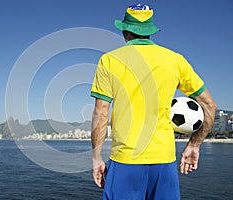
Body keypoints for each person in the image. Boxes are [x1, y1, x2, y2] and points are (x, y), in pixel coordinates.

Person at [90, 4, 217, 200]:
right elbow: (210, 106)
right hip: (164, 161)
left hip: (125, 160)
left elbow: (101, 112)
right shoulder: (175, 60)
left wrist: (97, 158)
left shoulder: (109, 60)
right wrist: (195, 145)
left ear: (124, 31)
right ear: (149, 32)